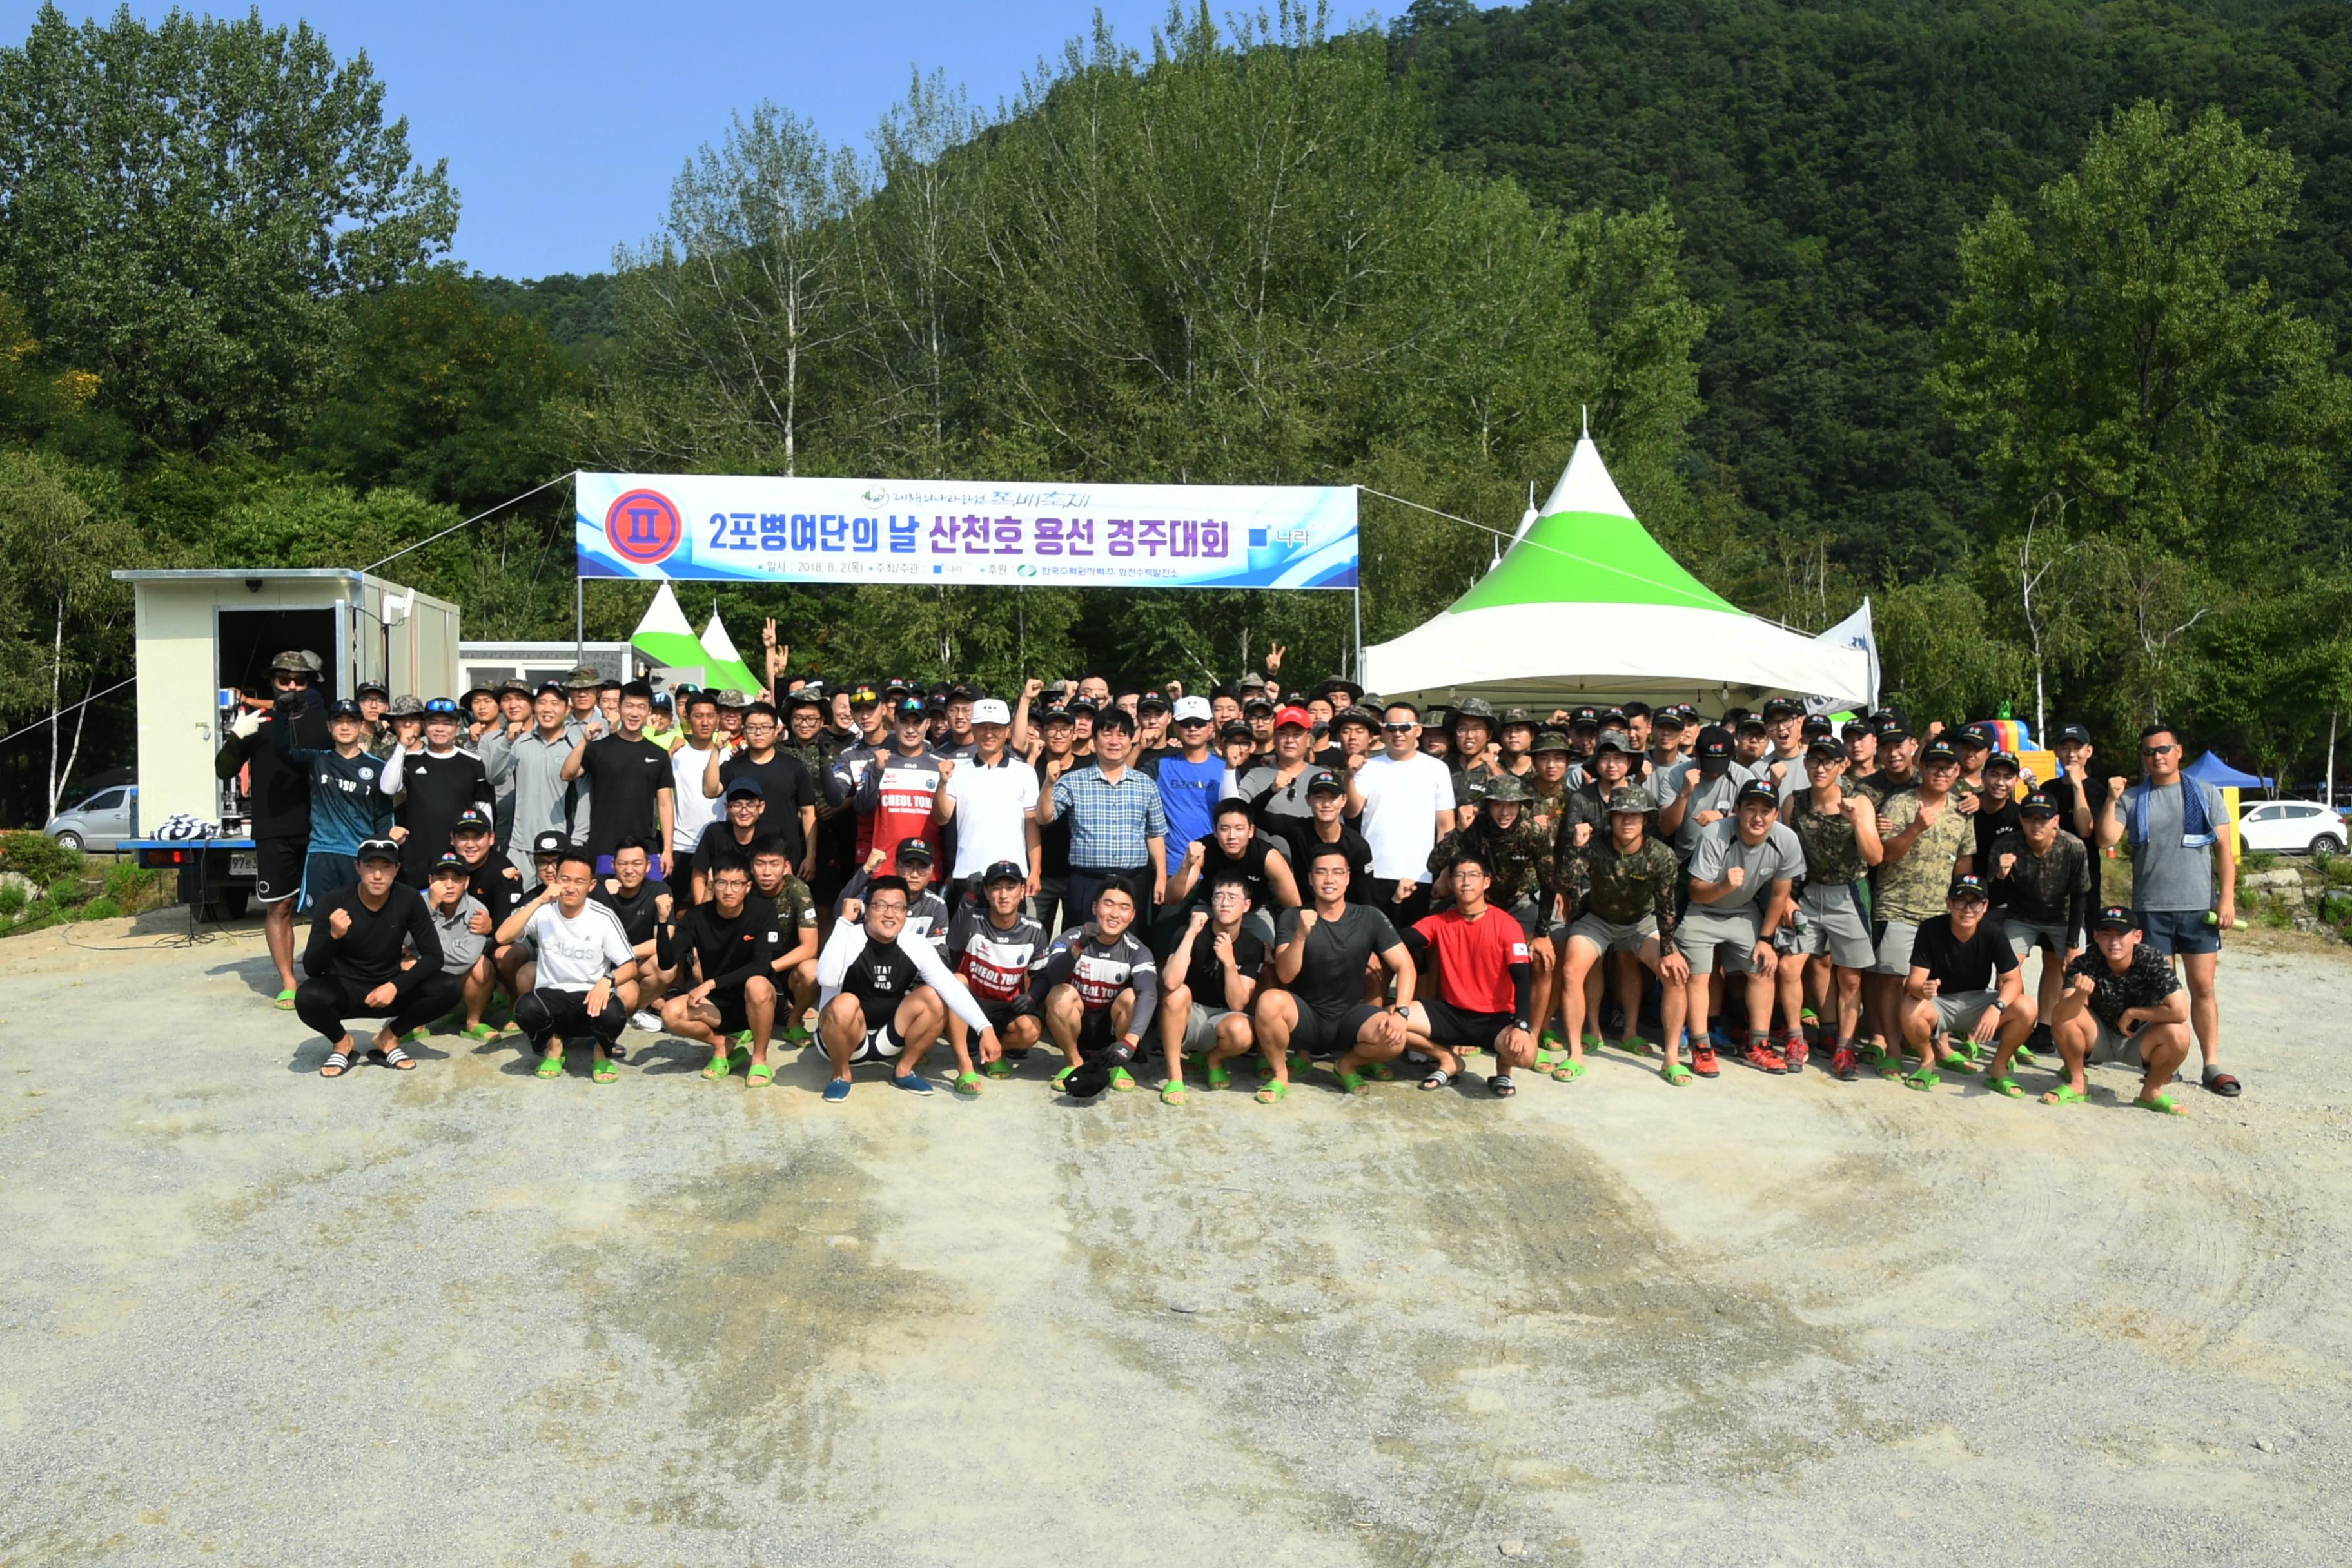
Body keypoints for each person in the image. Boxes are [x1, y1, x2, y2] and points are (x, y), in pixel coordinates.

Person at [2097, 723, 2239, 1097]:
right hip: (2151, 910)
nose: (2156, 757)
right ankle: (2165, 1062)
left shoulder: (2206, 794)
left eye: (2163, 749)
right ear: (2143, 758)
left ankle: (2211, 1065)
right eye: (2149, 752)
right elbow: (2106, 838)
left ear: (2179, 751)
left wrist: (2227, 898)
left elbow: (2225, 850)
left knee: (2203, 988)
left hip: (2197, 908)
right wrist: (2112, 798)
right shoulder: (2134, 798)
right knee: (2163, 994)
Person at [1251, 844, 1415, 1104]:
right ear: (1310, 878)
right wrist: (1301, 935)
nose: (1329, 879)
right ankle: (1281, 1076)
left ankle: (1347, 1065)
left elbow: (1405, 966)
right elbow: (1285, 975)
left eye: (1337, 872)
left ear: (1348, 878)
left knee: (1395, 1039)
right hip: (1305, 1017)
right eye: (1322, 872)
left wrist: (1402, 1012)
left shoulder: (1369, 916)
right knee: (1269, 1002)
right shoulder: (1293, 917)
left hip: (1350, 1017)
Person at [812, 874, 999, 1101]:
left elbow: (951, 987)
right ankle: (841, 1075)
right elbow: (827, 979)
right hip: (844, 1041)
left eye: (898, 907)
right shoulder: (848, 936)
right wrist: (843, 922)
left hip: (888, 1040)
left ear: (906, 913)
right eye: (881, 906)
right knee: (845, 1003)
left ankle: (904, 1070)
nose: (890, 914)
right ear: (866, 909)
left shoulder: (915, 944)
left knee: (934, 996)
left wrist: (984, 1029)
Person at [1555, 786, 1690, 1083]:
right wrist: (1577, 847)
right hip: (1597, 919)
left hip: (1641, 922)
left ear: (1645, 820)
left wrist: (1669, 948)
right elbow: (1564, 880)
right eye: (1620, 816)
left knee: (1675, 974)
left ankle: (1670, 1058)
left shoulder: (1661, 855)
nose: (1627, 822)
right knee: (1571, 970)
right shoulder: (1593, 845)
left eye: (1635, 816)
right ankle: (1577, 1050)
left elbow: (1667, 905)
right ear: (1611, 819)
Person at [217, 649, 328, 1008]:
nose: (292, 685)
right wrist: (235, 737)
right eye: (284, 679)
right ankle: (288, 981)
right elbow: (223, 771)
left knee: (330, 906)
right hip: (273, 828)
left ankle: (332, 973)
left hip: (323, 828)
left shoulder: (325, 721)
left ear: (310, 683)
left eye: (300, 680)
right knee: (280, 907)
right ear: (273, 682)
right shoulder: (257, 722)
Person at [295, 837, 454, 1077]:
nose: (378, 875)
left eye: (386, 867)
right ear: (357, 867)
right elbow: (312, 968)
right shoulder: (333, 901)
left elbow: (434, 957)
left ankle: (388, 1038)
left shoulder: (409, 899)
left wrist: (395, 986)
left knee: (450, 987)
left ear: (397, 869)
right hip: (345, 990)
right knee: (307, 996)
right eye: (370, 866)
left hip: (390, 987)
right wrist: (333, 936)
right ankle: (342, 1043)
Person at [1680, 779, 1805, 1077]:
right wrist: (1723, 885)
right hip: (1701, 910)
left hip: (1743, 911)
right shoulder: (1716, 834)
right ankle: (1701, 1046)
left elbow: (1779, 894)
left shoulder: (1786, 840)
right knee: (1698, 975)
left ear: (1776, 814)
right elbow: (1696, 891)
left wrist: (1765, 939)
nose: (1758, 818)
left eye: (1766, 810)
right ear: (1737, 810)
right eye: (1751, 808)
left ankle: (1757, 1046)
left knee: (1764, 966)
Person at [1779, 737, 1882, 1079]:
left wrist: (1856, 823)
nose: (1820, 769)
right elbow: (1784, 852)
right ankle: (1796, 1039)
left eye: (1828, 762)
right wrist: (1787, 897)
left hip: (1848, 894)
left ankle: (1845, 1048)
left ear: (1842, 766)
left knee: (1850, 977)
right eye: (1814, 761)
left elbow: (1874, 856)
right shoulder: (1795, 802)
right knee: (1790, 966)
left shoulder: (1859, 802)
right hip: (1808, 892)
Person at [1867, 736, 1973, 1056]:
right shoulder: (1900, 803)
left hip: (1940, 914)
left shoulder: (1962, 810)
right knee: (1892, 981)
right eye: (1933, 766)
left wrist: (1961, 907)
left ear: (1957, 771)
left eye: (1948, 767)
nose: (1940, 773)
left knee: (1936, 985)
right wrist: (1914, 828)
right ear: (1921, 768)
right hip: (1897, 906)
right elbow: (1884, 855)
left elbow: (1963, 863)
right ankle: (1893, 1047)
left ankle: (1935, 1045)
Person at [1399, 850, 1536, 1097]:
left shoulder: (1507, 925)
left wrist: (1522, 1025)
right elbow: (1401, 940)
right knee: (1389, 1022)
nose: (1466, 882)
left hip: (1496, 1018)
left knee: (1526, 1054)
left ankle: (1503, 1069)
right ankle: (1448, 1060)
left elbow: (1523, 979)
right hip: (1452, 1014)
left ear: (1486, 882)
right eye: (1459, 876)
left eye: (1473, 875)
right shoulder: (1440, 921)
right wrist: (1395, 906)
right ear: (1450, 883)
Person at [502, 848, 639, 1083]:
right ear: (555, 879)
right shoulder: (543, 911)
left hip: (590, 1001)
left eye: (579, 882)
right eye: (565, 879)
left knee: (616, 1010)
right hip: (552, 997)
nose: (571, 888)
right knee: (525, 1008)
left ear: (591, 885)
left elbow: (630, 965)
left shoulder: (603, 917)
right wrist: (539, 900)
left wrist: (607, 982)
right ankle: (553, 1046)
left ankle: (601, 1053)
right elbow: (503, 936)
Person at [2042, 906, 2195, 1114]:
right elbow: (2063, 1014)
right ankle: (2078, 1082)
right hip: (2099, 1037)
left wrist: (2134, 1013)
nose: (2114, 943)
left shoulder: (2153, 960)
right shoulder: (2085, 962)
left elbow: (2180, 1011)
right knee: (2062, 1014)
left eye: (2121, 935)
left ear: (2137, 936)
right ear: (2096, 936)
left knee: (2179, 1034)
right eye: (2106, 935)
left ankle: (2151, 1091)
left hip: (2140, 1039)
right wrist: (2079, 995)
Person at [1899, 875, 2037, 1093]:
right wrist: (1922, 989)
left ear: (1985, 906)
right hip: (1939, 1003)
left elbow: (2014, 981)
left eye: (1975, 902)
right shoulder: (1930, 929)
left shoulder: (1994, 933)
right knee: (1909, 1006)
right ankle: (1927, 1060)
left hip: (1978, 1001)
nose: (1967, 909)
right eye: (1960, 901)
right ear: (1948, 903)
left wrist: (1997, 1007)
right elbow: (1914, 981)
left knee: (2027, 1008)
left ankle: (1998, 1067)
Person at [655, 851, 783, 1084]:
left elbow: (761, 965)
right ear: (713, 885)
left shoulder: (763, 911)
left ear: (748, 886)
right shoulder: (697, 917)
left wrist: (711, 983)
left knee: (757, 985)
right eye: (722, 883)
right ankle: (721, 1044)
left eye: (736, 884)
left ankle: (759, 1060)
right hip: (718, 1005)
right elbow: (666, 962)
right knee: (669, 1014)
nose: (729, 891)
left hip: (755, 1000)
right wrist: (663, 923)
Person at [1037, 705, 1168, 931]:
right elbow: (1044, 818)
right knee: (1081, 946)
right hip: (1087, 882)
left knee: (1129, 948)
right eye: (1107, 734)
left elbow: (1155, 834)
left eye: (1122, 735)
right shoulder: (1073, 781)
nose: (1114, 741)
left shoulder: (1146, 784)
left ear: (1131, 740)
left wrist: (1162, 877)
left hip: (1133, 881)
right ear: (1094, 741)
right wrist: (1049, 783)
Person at [1034, 876, 1161, 1097]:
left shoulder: (1138, 950)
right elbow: (1053, 976)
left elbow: (1149, 993)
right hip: (1076, 1027)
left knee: (1133, 997)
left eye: (1124, 908)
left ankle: (1117, 1066)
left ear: (1132, 916)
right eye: (1108, 904)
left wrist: (1130, 1043)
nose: (1114, 914)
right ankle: (1073, 1061)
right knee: (1059, 994)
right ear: (1095, 907)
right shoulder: (1072, 937)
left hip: (1112, 1034)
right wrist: (1077, 948)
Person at [1988, 787, 2090, 1061]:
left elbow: (2081, 897)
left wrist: (2071, 945)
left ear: (2055, 820)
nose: (2037, 825)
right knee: (2006, 970)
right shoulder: (2006, 845)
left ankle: (2063, 1034)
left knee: (2076, 974)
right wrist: (2000, 875)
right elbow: (1995, 898)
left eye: (2043, 819)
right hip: (2022, 917)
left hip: (2063, 918)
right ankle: (2017, 1025)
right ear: (2021, 820)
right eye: (2031, 818)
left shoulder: (2073, 847)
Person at [271, 694, 398, 910]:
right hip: (322, 852)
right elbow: (283, 752)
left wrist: (383, 852)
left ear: (360, 725)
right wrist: (281, 715)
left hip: (358, 855)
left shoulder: (377, 768)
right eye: (339, 721)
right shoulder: (317, 760)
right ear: (329, 726)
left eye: (351, 721)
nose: (345, 727)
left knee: (360, 919)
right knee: (322, 921)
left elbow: (383, 815)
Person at [1155, 872, 1266, 1104]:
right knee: (1177, 994)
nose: (1225, 902)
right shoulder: (1189, 933)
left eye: (1233, 897)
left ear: (1246, 905)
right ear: (1211, 903)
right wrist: (1191, 933)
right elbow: (1171, 982)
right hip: (1188, 1015)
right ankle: (1175, 1075)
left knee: (1243, 1031)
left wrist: (1228, 962)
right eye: (1219, 896)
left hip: (1222, 1018)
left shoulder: (1253, 945)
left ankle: (1213, 1059)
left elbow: (1238, 1003)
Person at [1349, 701, 1455, 926]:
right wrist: (1349, 777)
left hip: (1421, 874)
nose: (1398, 733)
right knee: (1374, 943)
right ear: (1383, 731)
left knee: (1414, 946)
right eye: (1391, 727)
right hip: (1374, 872)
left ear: (1418, 730)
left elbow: (1446, 827)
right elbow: (1352, 811)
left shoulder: (1437, 769)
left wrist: (1445, 873)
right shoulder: (1368, 767)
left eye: (1405, 727)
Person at [945, 861, 1049, 1086]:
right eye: (996, 887)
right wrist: (968, 899)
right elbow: (953, 942)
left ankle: (996, 1050)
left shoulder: (1035, 930)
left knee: (1031, 1030)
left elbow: (1041, 976)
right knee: (957, 980)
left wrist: (1032, 998)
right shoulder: (974, 919)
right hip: (970, 1008)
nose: (1003, 895)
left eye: (1010, 887)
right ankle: (964, 1065)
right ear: (986, 891)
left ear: (1022, 891)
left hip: (1005, 1009)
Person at [562, 680, 675, 879]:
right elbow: (567, 774)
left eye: (641, 707)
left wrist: (667, 850)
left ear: (649, 711)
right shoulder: (600, 749)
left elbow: (665, 805)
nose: (634, 713)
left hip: (645, 848)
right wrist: (585, 740)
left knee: (654, 902)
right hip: (604, 848)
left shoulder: (659, 755)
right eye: (629, 706)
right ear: (620, 707)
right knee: (604, 905)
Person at [932, 697, 1041, 896]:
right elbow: (942, 818)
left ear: (1007, 732)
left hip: (1012, 875)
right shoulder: (957, 771)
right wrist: (942, 783)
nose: (989, 734)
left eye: (996, 728)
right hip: (967, 873)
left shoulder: (1025, 772)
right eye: (982, 727)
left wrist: (1035, 871)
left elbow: (1031, 824)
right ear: (973, 730)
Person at [380, 696, 494, 887]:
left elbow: (484, 811)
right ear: (424, 727)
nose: (440, 729)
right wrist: (402, 747)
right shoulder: (409, 760)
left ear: (458, 728)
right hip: (415, 855)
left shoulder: (473, 763)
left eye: (447, 723)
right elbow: (388, 788)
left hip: (457, 856)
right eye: (433, 723)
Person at [707, 699, 819, 881]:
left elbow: (808, 812)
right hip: (742, 857)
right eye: (752, 728)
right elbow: (711, 790)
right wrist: (716, 750)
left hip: (784, 856)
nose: (758, 733)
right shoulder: (734, 766)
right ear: (744, 731)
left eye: (765, 727)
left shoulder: (794, 767)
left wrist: (811, 856)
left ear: (776, 730)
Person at [1164, 798, 1300, 945]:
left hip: (1253, 912)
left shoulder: (1268, 856)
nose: (1232, 836)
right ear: (1215, 831)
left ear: (1251, 831)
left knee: (1267, 956)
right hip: (1211, 909)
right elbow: (1172, 898)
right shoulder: (1201, 850)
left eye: (1239, 829)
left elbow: (1293, 906)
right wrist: (1187, 865)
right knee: (1191, 945)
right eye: (1225, 829)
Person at [492, 683, 583, 881]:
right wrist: (507, 742)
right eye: (542, 702)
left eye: (555, 703)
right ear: (535, 707)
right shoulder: (520, 743)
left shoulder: (577, 745)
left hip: (561, 845)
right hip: (520, 846)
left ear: (568, 709)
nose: (547, 708)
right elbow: (495, 777)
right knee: (518, 906)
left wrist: (577, 840)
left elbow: (585, 798)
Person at [854, 696, 952, 868]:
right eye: (905, 722)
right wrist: (877, 771)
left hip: (926, 868)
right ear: (895, 723)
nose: (911, 730)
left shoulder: (941, 766)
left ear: (928, 724)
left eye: (917, 723)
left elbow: (948, 823)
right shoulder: (876, 763)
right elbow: (862, 808)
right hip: (884, 867)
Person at [410, 852, 498, 1043]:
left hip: (449, 975)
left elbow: (467, 957)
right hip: (424, 976)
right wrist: (431, 907)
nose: (449, 885)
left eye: (456, 879)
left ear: (467, 883)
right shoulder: (415, 903)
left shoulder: (477, 910)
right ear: (430, 880)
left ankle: (473, 1022)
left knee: (482, 966)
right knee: (406, 965)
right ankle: (414, 1024)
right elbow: (402, 942)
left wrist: (425, 958)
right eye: (441, 879)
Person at [593, 843, 674, 1031]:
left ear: (647, 866)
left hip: (633, 964)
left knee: (666, 967)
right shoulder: (597, 886)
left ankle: (634, 1011)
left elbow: (665, 939)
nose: (629, 870)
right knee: (622, 993)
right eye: (623, 864)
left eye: (637, 864)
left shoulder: (659, 891)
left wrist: (624, 954)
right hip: (600, 965)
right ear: (613, 865)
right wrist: (601, 890)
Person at [1275, 769, 1375, 905]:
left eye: (1333, 798)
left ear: (1344, 800)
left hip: (1345, 917)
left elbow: (1364, 899)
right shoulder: (1297, 829)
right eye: (1319, 797)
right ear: (1308, 800)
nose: (1326, 804)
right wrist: (1272, 790)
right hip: (1304, 914)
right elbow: (1254, 816)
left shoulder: (1358, 846)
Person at [667, 691, 726, 899]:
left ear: (718, 718)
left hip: (721, 845)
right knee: (682, 911)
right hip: (682, 844)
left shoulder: (729, 754)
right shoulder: (677, 755)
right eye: (698, 716)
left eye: (710, 716)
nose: (705, 722)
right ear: (687, 717)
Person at [1152, 694, 1226, 856]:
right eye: (1186, 723)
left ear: (1211, 727)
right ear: (1176, 728)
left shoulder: (1226, 769)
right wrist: (1138, 748)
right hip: (1171, 867)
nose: (1193, 728)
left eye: (1199, 723)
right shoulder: (1159, 766)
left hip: (1213, 864)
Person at [1235, 705, 1321, 830]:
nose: (1290, 740)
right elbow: (1238, 813)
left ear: (1308, 740)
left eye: (1297, 734)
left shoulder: (1322, 776)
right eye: (1283, 734)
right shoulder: (1255, 776)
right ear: (1274, 738)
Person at [692, 779, 770, 902]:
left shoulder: (770, 834)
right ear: (727, 808)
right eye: (737, 805)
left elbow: (784, 874)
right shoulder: (715, 833)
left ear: (761, 807)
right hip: (722, 905)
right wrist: (701, 912)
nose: (744, 811)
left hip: (760, 906)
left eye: (750, 805)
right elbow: (699, 877)